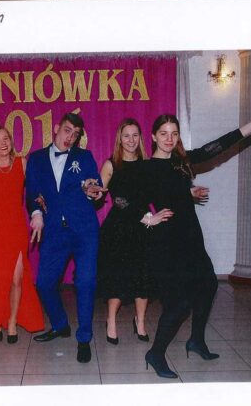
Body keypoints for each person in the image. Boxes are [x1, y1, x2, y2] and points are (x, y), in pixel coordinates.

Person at [141, 111, 251, 378]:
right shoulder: (146, 168)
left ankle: (196, 340)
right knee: (180, 303)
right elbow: (130, 200)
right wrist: (148, 218)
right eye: (163, 134)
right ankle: (155, 353)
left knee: (208, 285)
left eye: (174, 134)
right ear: (153, 136)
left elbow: (215, 148)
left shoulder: (180, 161)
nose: (169, 139)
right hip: (167, 243)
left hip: (190, 236)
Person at [25, 112, 106, 363]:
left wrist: (93, 191)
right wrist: (36, 213)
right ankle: (60, 325)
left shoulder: (84, 156)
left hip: (84, 231)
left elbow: (94, 184)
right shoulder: (36, 159)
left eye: (75, 134)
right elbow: (32, 193)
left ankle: (84, 338)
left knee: (85, 282)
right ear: (56, 128)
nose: (70, 137)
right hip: (53, 231)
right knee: (44, 284)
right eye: (67, 130)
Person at [0, 126, 45, 342]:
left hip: (17, 227)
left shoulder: (21, 163)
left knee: (17, 277)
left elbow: (35, 190)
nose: (3, 143)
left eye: (6, 138)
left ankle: (11, 322)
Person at [96, 118, 156, 345]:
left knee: (143, 278)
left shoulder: (147, 165)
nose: (131, 140)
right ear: (119, 139)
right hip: (119, 229)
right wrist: (93, 193)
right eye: (126, 136)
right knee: (117, 278)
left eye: (135, 135)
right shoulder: (111, 164)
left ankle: (140, 321)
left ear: (140, 138)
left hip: (144, 227)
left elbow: (160, 192)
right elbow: (113, 198)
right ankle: (111, 320)